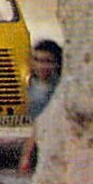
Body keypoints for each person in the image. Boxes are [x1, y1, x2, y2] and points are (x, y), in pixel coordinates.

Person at [19, 39, 63, 173]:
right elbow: (37, 124)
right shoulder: (33, 87)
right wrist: (26, 155)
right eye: (37, 60)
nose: (41, 66)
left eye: (47, 61)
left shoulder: (60, 88)